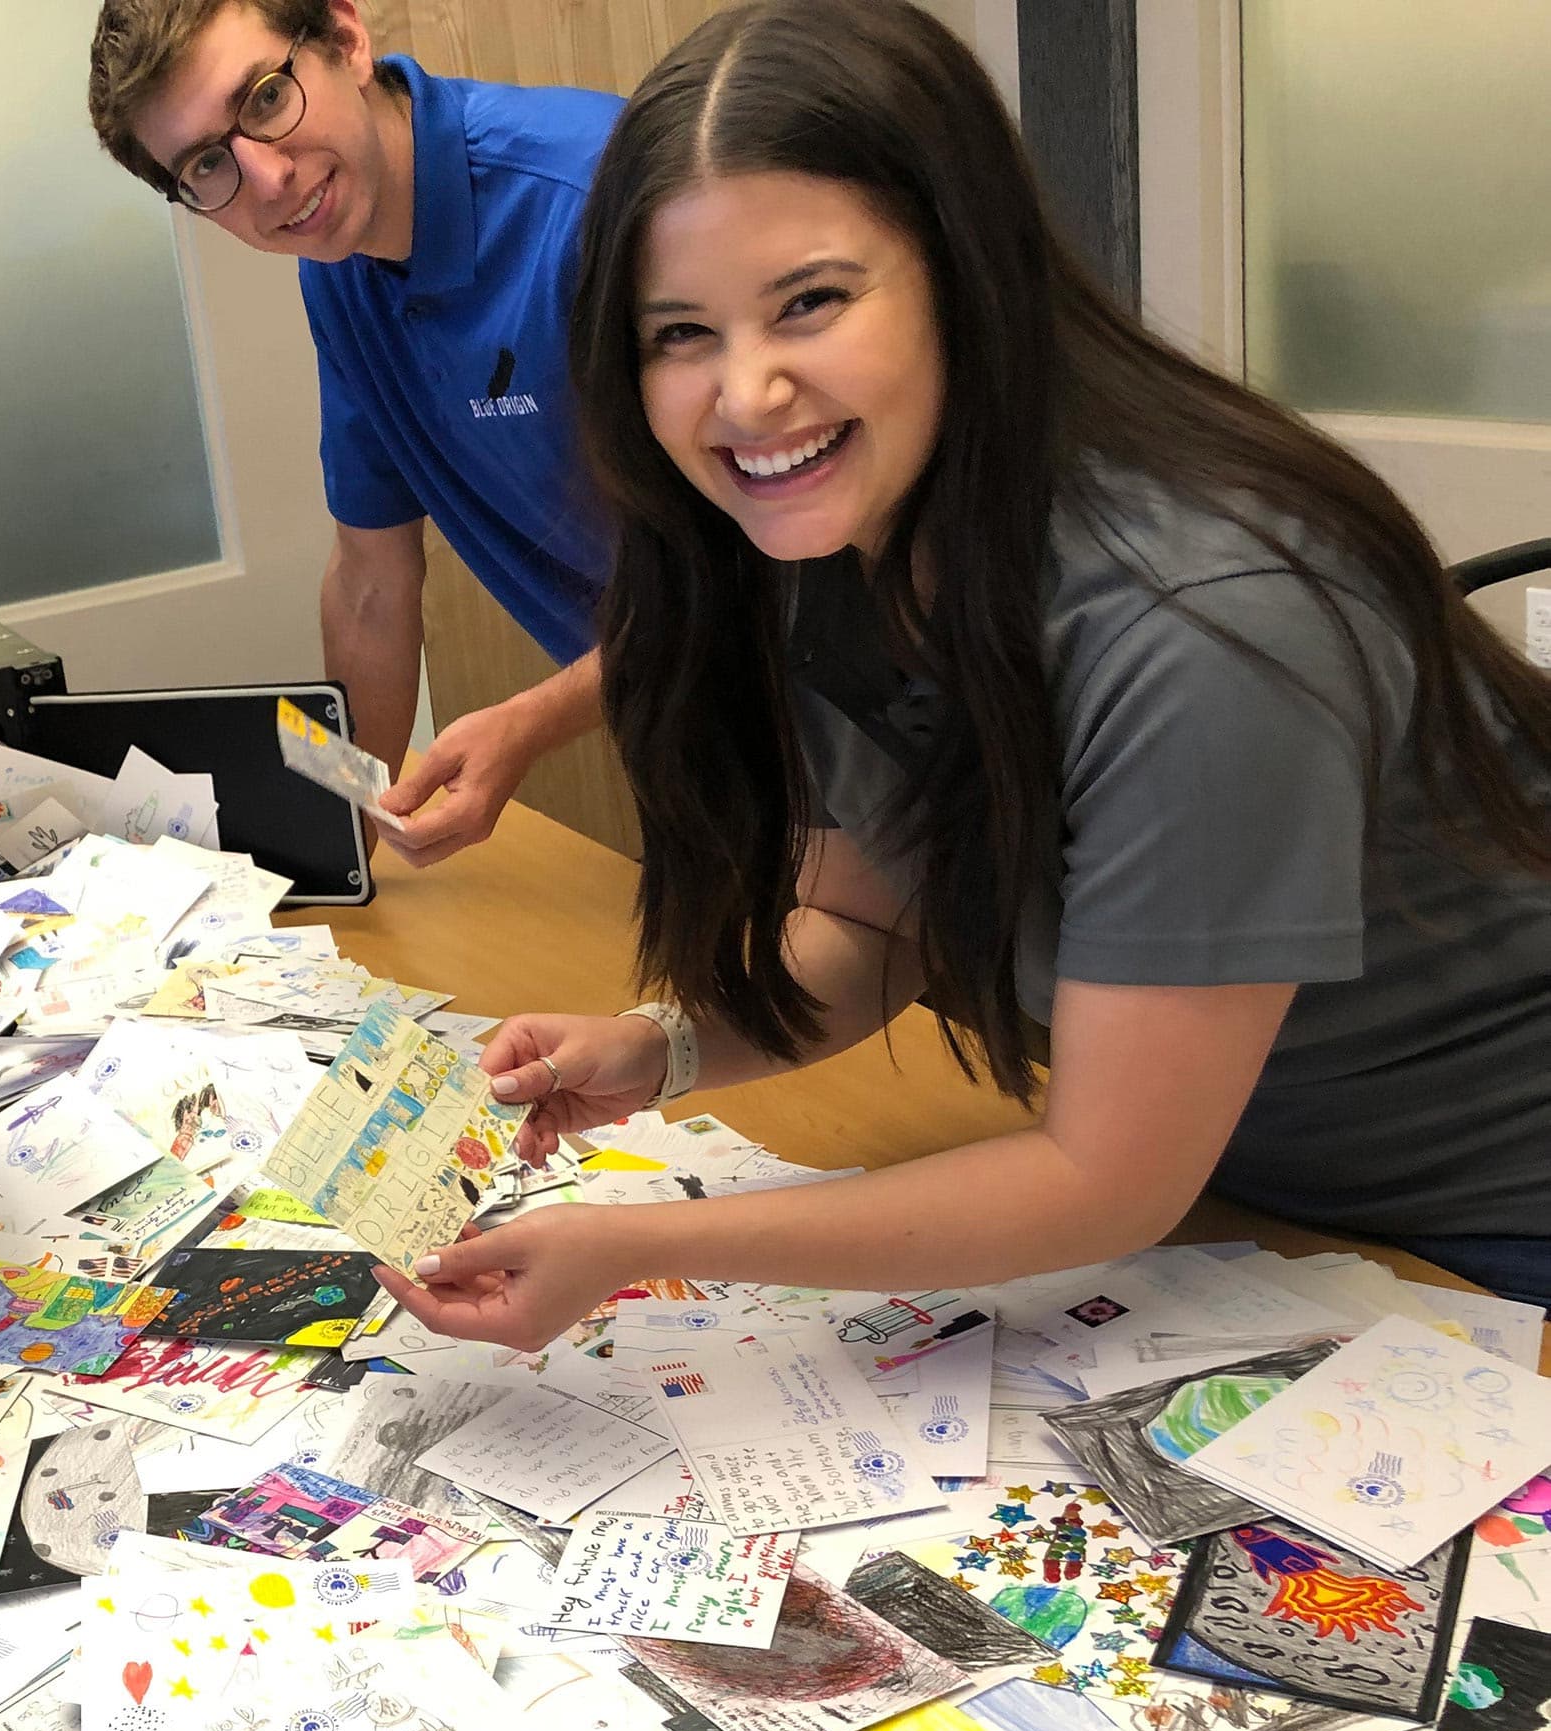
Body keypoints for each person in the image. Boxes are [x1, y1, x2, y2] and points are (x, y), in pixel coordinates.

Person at [378, 0, 1551, 1349]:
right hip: (1266, 1208)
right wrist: (662, 1053)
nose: (746, 395)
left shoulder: (1204, 621)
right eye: (677, 334)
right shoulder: (839, 536)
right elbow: (881, 931)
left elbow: (1097, 1176)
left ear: (959, 274)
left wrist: (638, 1247)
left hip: (1491, 1232)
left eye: (808, 303)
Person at [88, 0, 619, 861]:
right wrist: (337, 838)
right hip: (693, 715)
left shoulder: (592, 196)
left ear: (345, 37)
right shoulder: (340, 270)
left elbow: (769, 569)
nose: (268, 182)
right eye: (209, 165)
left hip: (860, 695)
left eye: (264, 98)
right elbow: (371, 579)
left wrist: (533, 718)